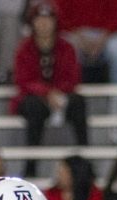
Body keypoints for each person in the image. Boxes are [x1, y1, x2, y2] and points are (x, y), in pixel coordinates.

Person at [12, 1, 90, 176]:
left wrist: (57, 93)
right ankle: (31, 167)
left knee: (78, 102)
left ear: (55, 22)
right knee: (33, 107)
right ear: (32, 23)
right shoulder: (24, 48)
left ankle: (85, 163)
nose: (44, 24)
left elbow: (73, 78)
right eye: (39, 19)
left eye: (48, 19)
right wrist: (47, 93)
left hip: (62, 96)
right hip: (34, 99)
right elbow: (23, 81)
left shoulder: (67, 47)